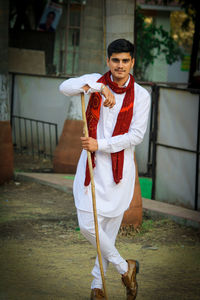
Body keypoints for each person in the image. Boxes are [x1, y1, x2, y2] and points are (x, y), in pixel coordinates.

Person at [59, 39, 150, 300]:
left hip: (119, 173)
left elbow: (136, 136)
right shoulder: (95, 82)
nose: (120, 66)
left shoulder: (142, 96)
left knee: (107, 231)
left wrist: (101, 144)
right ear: (108, 60)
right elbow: (64, 87)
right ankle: (126, 267)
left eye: (125, 61)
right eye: (115, 60)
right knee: (88, 227)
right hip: (91, 168)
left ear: (132, 62)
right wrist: (98, 87)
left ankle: (97, 287)